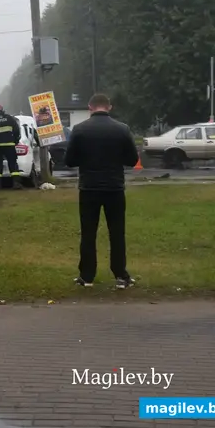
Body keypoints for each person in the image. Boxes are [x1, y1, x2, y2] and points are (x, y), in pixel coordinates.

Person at [63, 93, 139, 289]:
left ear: (90, 107)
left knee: (88, 233)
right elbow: (132, 160)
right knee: (117, 232)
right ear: (109, 107)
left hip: (88, 188)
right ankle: (121, 275)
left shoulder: (79, 130)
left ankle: (87, 276)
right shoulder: (122, 129)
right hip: (114, 187)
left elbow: (70, 160)